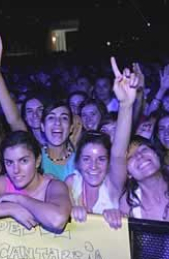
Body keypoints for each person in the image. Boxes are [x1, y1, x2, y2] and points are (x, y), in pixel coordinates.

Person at [65, 57, 138, 222]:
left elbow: (119, 153)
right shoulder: (71, 183)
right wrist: (69, 208)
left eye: (101, 159)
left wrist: (126, 104)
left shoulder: (113, 183)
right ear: (77, 162)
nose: (93, 166)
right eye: (86, 158)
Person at [105, 136, 169, 240]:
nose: (139, 156)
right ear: (128, 173)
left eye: (144, 149)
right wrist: (113, 218)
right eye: (130, 157)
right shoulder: (128, 202)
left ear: (157, 155)